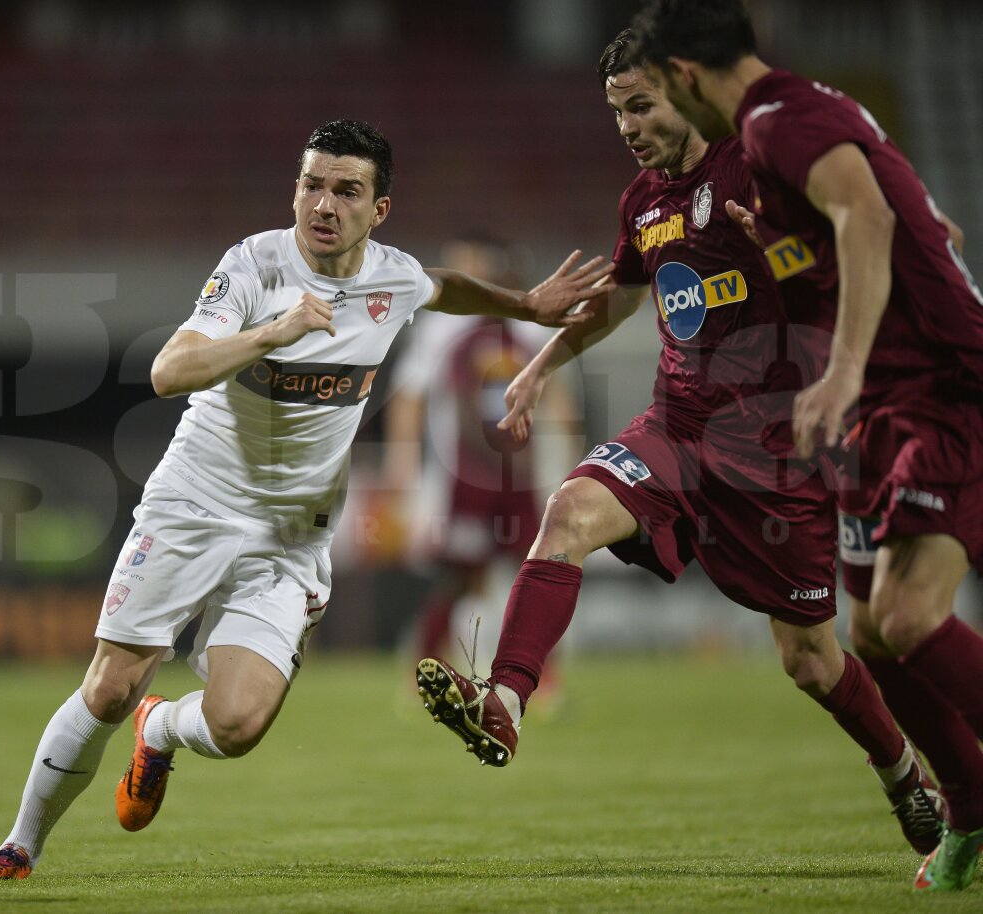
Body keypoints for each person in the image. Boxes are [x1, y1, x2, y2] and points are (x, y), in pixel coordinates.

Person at [0, 119, 614, 881]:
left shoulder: (391, 278)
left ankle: (161, 730)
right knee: (109, 683)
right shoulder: (254, 265)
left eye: (346, 190)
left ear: (380, 209)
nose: (323, 204)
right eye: (311, 184)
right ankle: (19, 848)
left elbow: (442, 286)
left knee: (237, 725)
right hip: (196, 503)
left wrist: (526, 306)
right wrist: (271, 333)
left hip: (292, 534)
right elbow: (170, 371)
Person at [415, 32, 944, 858]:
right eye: (616, 109)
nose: (627, 124)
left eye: (642, 104)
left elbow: (862, 238)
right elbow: (622, 300)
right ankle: (507, 703)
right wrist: (543, 366)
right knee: (568, 514)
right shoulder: (642, 203)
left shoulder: (758, 167)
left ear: (685, 92)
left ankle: (903, 771)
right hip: (678, 428)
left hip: (777, 453)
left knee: (810, 660)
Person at [629, 0, 983, 892]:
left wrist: (845, 369)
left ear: (682, 76)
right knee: (872, 632)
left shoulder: (779, 123)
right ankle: (970, 814)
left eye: (653, 96)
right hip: (893, 402)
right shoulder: (797, 120)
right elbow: (928, 228)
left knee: (904, 620)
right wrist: (790, 253)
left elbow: (870, 220)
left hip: (939, 385)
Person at [383, 232, 571, 689]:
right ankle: (425, 665)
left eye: (468, 261)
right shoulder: (441, 329)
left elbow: (559, 399)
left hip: (522, 475)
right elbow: (408, 399)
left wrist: (566, 464)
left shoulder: (530, 326)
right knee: (462, 575)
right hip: (462, 477)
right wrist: (400, 466)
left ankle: (540, 677)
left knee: (543, 568)